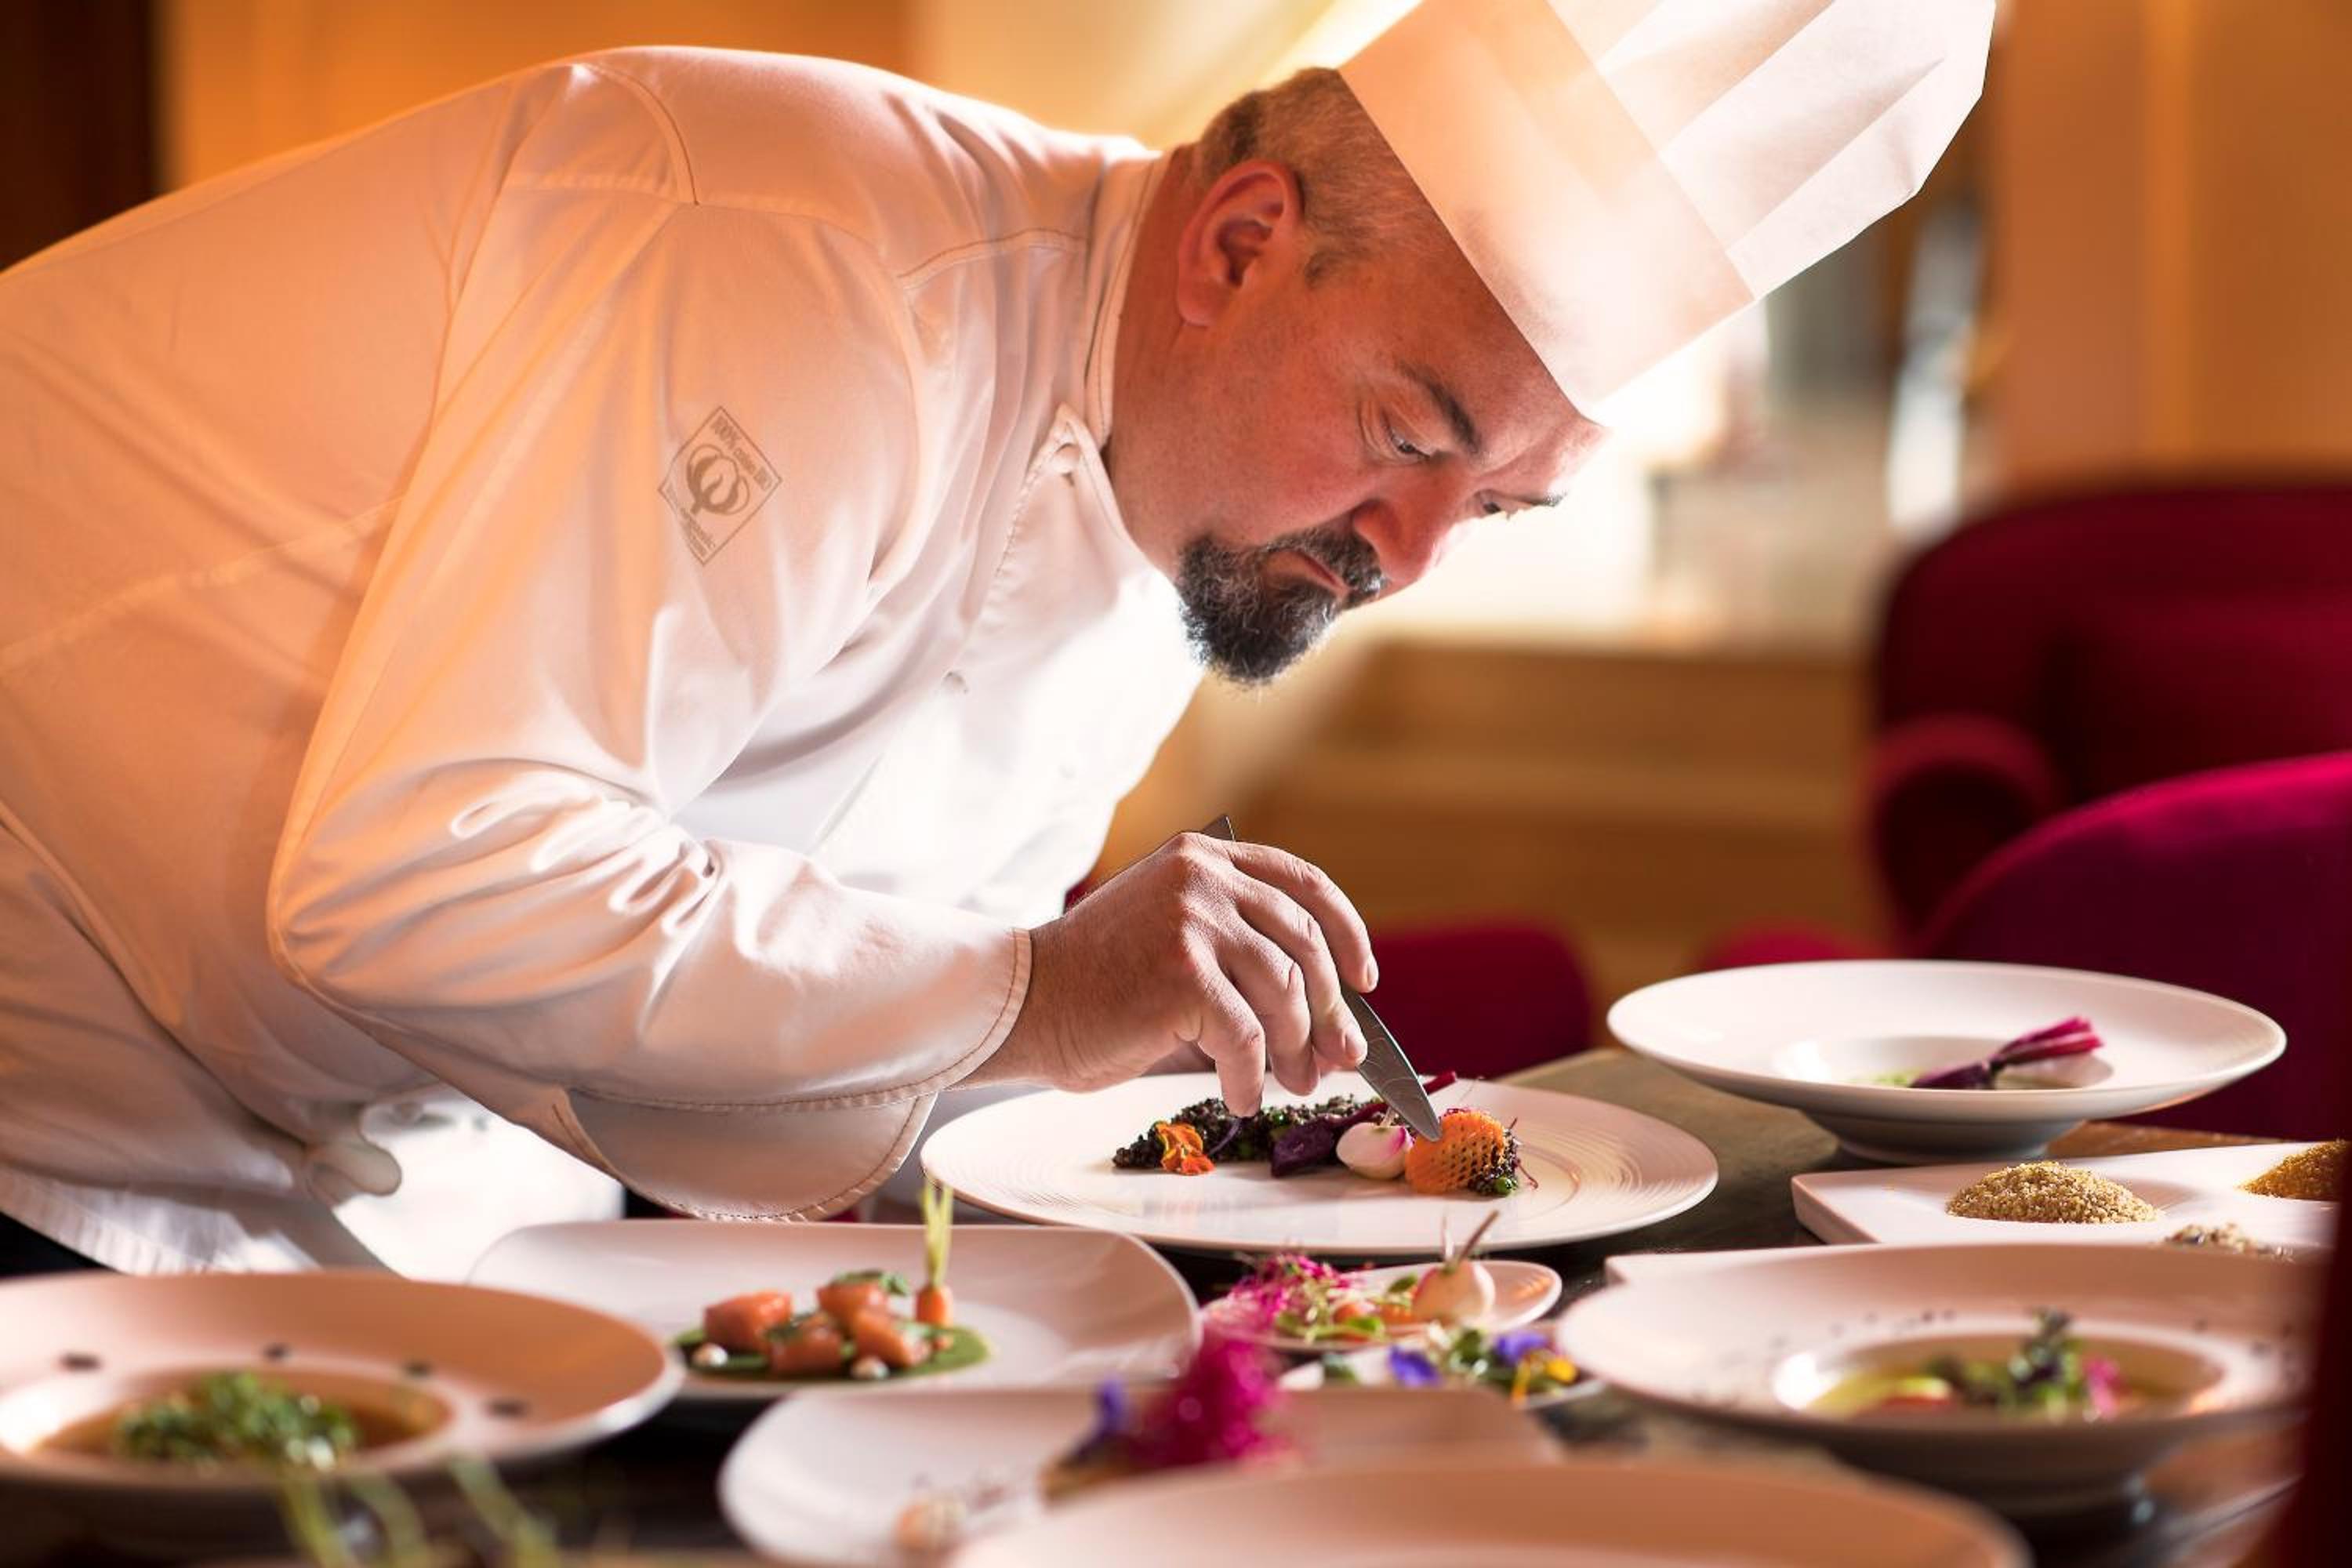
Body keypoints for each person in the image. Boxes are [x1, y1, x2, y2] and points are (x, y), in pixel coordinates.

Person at [0, 0, 1990, 1276]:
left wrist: (1194, 1126)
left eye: (1495, 509)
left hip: (405, 1170)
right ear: (1238, 243)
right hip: (46, 1041)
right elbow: (409, 872)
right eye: (1405, 439)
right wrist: (1035, 990)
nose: (1404, 558)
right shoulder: (800, 264)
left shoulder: (1192, 499)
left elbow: (845, 1016)